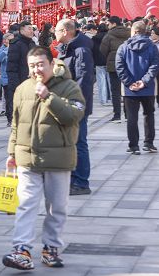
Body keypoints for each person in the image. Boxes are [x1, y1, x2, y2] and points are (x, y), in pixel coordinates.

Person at [2, 47, 86, 271]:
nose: (36, 69)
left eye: (40, 64)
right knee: (26, 205)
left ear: (51, 63)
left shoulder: (70, 87)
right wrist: (12, 152)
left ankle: (51, 248)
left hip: (59, 158)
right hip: (27, 157)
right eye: (32, 65)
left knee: (56, 207)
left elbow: (73, 116)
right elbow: (16, 123)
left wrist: (49, 98)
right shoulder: (22, 89)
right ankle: (22, 249)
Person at [54, 19, 95, 196]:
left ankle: (81, 182)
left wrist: (77, 105)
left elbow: (84, 80)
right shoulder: (68, 47)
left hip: (76, 106)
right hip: (65, 104)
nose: (54, 33)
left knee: (79, 142)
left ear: (65, 31)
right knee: (69, 142)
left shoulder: (81, 50)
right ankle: (71, 179)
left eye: (56, 30)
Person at [115, 20, 159, 154]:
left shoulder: (123, 47)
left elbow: (119, 66)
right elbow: (155, 65)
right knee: (149, 115)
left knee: (132, 117)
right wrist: (144, 81)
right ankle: (148, 143)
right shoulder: (152, 46)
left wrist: (129, 82)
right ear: (145, 31)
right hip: (148, 88)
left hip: (130, 89)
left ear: (133, 31)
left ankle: (134, 146)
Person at [101, 16, 131, 123]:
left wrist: (109, 58)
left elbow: (103, 50)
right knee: (127, 90)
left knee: (115, 92)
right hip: (128, 66)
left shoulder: (109, 35)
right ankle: (128, 114)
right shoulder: (129, 33)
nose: (108, 26)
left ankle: (117, 115)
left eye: (108, 24)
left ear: (113, 24)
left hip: (113, 67)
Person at [6, 22, 36, 126]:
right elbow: (11, 66)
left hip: (32, 82)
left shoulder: (32, 44)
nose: (31, 31)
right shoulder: (16, 44)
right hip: (19, 82)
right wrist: (15, 85)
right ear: (21, 30)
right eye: (29, 29)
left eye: (32, 28)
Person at [91, 24, 111, 107]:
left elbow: (92, 50)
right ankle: (113, 98)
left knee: (101, 81)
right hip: (109, 61)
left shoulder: (94, 39)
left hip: (98, 62)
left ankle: (103, 100)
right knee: (110, 81)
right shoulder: (110, 37)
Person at [0, 33, 14, 115]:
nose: (10, 41)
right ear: (4, 41)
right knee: (7, 97)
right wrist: (7, 50)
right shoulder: (1, 50)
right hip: (5, 77)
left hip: (15, 76)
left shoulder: (16, 48)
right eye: (8, 40)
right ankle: (9, 115)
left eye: (11, 40)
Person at [150, 27, 159, 108]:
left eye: (153, 33)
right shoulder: (149, 42)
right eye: (151, 33)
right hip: (151, 67)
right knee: (151, 84)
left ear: (158, 34)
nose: (151, 35)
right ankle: (151, 101)